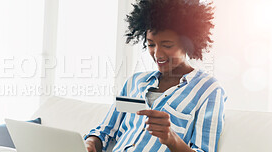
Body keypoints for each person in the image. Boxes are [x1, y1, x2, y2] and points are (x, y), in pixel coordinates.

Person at [84, 0, 226, 152]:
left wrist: (172, 140)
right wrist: (90, 143)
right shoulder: (134, 83)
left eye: (167, 45)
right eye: (151, 44)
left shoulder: (208, 90)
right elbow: (104, 132)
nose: (157, 54)